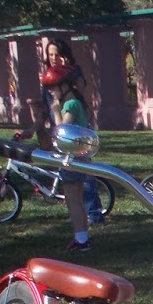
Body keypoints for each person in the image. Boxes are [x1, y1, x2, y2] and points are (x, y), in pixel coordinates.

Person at [45, 48, 101, 249]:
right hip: (80, 157)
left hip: (71, 159)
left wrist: (55, 111)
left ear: (65, 86)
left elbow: (63, 130)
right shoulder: (76, 102)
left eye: (53, 87)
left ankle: (81, 239)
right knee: (77, 199)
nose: (51, 91)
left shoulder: (69, 105)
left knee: (73, 200)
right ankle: (82, 237)